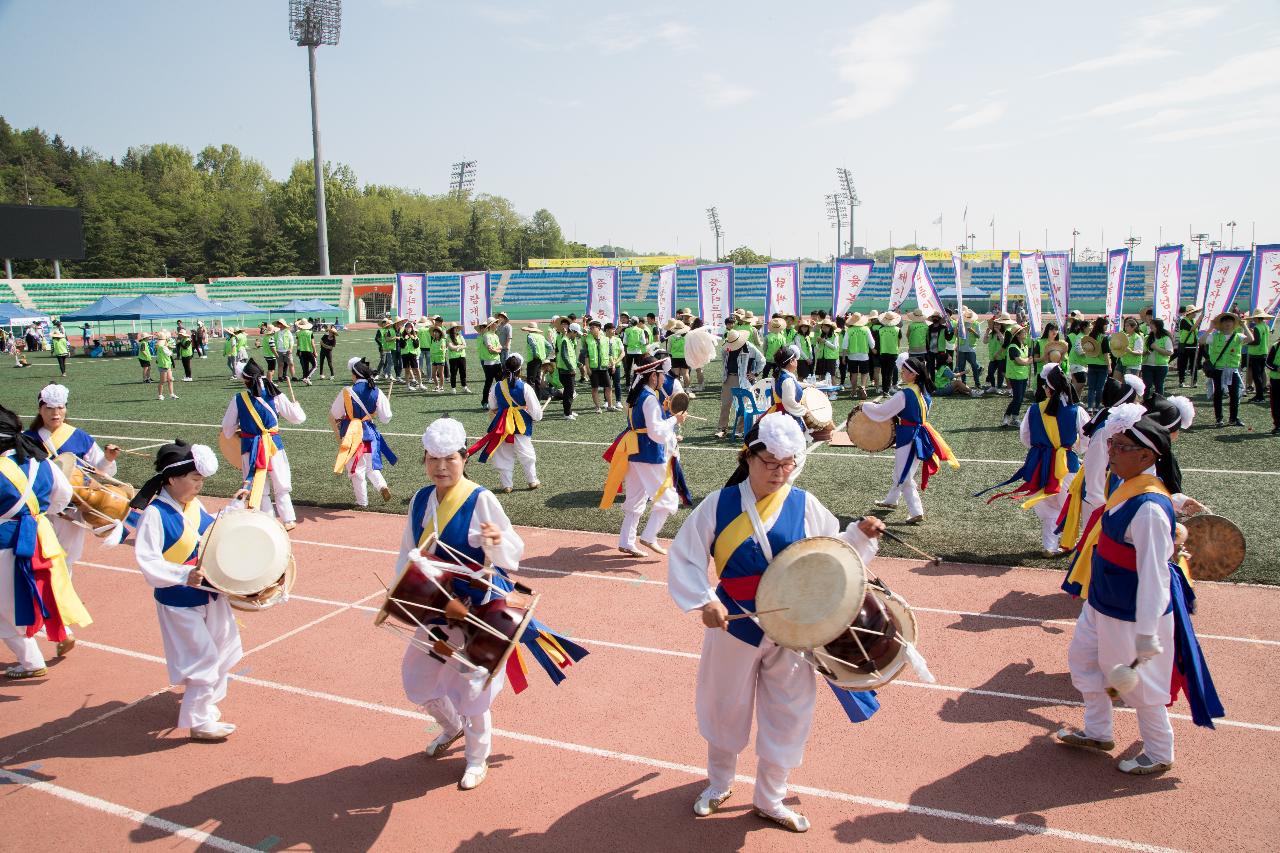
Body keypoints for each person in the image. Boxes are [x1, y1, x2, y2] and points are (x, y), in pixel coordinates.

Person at [667, 413, 899, 832]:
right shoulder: (718, 505)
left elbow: (832, 553)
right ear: (748, 456)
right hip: (734, 625)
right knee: (724, 706)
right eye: (768, 463)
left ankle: (770, 798)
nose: (777, 472)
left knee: (789, 713)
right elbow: (685, 556)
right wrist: (703, 601)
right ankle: (719, 784)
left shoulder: (804, 503)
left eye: (786, 464)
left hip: (794, 629)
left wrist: (862, 535)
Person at [397, 417, 588, 790]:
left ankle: (476, 757)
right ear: (423, 460)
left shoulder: (480, 498)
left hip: (481, 609)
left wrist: (495, 539)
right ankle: (452, 727)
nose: (440, 467)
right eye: (433, 459)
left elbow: (513, 553)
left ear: (464, 458)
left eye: (449, 458)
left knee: (474, 686)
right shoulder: (421, 500)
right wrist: (403, 596)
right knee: (417, 680)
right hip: (437, 607)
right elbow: (408, 551)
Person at [1056, 412, 1223, 774]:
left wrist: (1148, 632)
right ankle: (1099, 731)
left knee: (1143, 687)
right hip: (1103, 600)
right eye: (1111, 444)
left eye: (1121, 447)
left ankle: (1159, 752)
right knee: (1084, 662)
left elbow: (1153, 575)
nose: (1111, 452)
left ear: (1147, 457)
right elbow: (1148, 495)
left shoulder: (1148, 510)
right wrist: (1177, 501)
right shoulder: (1128, 483)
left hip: (1131, 612)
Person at [130, 440, 245, 740]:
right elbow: (147, 561)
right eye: (195, 479)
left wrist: (233, 508)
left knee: (223, 646)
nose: (199, 485)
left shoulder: (192, 506)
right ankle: (199, 721)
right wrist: (184, 574)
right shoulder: (155, 515)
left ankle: (207, 705)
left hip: (209, 591)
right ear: (171, 478)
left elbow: (209, 531)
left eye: (201, 480)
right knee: (203, 657)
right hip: (179, 600)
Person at [0, 405, 90, 679]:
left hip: (6, 541)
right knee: (43, 589)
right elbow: (62, 496)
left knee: (6, 607)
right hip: (41, 534)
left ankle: (31, 661)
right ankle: (58, 633)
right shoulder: (40, 461)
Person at [978, 365, 1087, 556]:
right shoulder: (1076, 411)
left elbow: (1025, 438)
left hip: (1040, 465)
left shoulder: (1034, 410)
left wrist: (1042, 448)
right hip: (1067, 465)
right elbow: (1086, 440)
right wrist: (1071, 447)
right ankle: (1069, 542)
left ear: (1047, 389)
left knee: (1048, 507)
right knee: (1068, 505)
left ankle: (1050, 546)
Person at [24, 383, 122, 572]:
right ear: (40, 409)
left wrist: (108, 459)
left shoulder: (78, 436)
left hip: (71, 508)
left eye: (60, 407)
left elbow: (101, 471)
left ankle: (61, 598)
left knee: (66, 559)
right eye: (49, 408)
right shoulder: (27, 439)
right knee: (38, 558)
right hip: (39, 509)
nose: (56, 413)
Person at [601, 355, 685, 557]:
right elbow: (655, 432)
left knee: (636, 498)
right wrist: (674, 419)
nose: (664, 378)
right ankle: (649, 536)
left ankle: (626, 541)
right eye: (661, 375)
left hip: (632, 450)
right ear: (652, 377)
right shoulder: (649, 399)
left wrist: (664, 411)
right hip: (648, 452)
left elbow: (645, 424)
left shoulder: (636, 396)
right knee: (668, 498)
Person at [862, 354, 959, 524]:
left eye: (905, 371)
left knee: (904, 474)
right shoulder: (924, 391)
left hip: (908, 435)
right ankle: (892, 499)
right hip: (921, 433)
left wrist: (866, 406)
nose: (902, 373)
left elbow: (883, 411)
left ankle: (916, 510)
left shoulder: (905, 394)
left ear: (914, 374)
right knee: (903, 470)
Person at [222, 359, 306, 531]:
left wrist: (241, 427)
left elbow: (227, 429)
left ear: (245, 380)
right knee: (281, 483)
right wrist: (296, 407)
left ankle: (268, 520)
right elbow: (298, 418)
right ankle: (288, 519)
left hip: (250, 446)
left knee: (259, 486)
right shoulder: (275, 393)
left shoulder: (239, 398)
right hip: (273, 446)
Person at [469, 354, 542, 493]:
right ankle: (532, 480)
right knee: (526, 452)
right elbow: (536, 412)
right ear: (520, 370)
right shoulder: (525, 387)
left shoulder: (497, 386)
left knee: (503, 453)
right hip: (520, 424)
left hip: (502, 424)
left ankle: (507, 485)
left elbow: (492, 405)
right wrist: (535, 417)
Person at [331, 357, 396, 507]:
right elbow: (386, 418)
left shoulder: (347, 391)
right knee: (370, 464)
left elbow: (335, 412)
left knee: (356, 468)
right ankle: (382, 486)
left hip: (351, 433)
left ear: (355, 375)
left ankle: (362, 501)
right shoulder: (376, 391)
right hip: (369, 432)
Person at [1199, 311, 1253, 427]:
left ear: (1234, 324)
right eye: (1225, 321)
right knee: (1218, 394)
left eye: (1230, 321)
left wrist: (1244, 325)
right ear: (1221, 324)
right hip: (1218, 370)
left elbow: (1251, 338)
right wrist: (1210, 328)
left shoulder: (1238, 336)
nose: (1227, 323)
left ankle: (1234, 418)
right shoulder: (1215, 336)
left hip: (1233, 370)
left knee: (1235, 394)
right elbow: (1201, 340)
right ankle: (1219, 419)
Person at [716, 329, 765, 439]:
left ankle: (739, 429)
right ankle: (722, 429)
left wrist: (755, 373)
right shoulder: (725, 347)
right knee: (725, 404)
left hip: (744, 380)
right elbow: (724, 360)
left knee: (743, 405)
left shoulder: (750, 347)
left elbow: (762, 360)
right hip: (728, 378)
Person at [1001, 324, 1032, 426]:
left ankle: (1014, 417)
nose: (1025, 333)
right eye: (1023, 332)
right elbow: (1020, 361)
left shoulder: (1024, 346)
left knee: (1020, 398)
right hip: (1015, 376)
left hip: (1023, 375)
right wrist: (1028, 361)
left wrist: (1027, 360)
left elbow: (1027, 359)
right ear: (1017, 335)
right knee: (1017, 398)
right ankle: (1008, 416)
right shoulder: (1012, 347)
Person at [1078, 316, 1111, 409]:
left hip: (1091, 365)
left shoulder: (1089, 337)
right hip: (1102, 365)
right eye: (1106, 325)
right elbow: (1105, 354)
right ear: (1102, 326)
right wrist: (1109, 366)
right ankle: (1096, 407)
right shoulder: (1103, 338)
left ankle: (1089, 407)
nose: (1106, 327)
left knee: (1091, 388)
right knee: (1100, 388)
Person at [584, 320, 617, 414]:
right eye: (590, 328)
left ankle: (610, 406)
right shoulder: (587, 340)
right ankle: (597, 407)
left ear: (598, 328)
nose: (591, 329)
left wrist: (613, 364)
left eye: (593, 328)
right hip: (593, 368)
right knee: (595, 388)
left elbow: (609, 353)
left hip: (604, 367)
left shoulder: (605, 339)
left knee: (609, 387)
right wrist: (587, 368)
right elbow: (586, 356)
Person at [843, 312, 874, 399]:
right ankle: (863, 386)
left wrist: (844, 357)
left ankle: (853, 391)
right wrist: (873, 348)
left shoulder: (849, 330)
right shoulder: (866, 329)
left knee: (854, 374)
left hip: (852, 355)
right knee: (864, 373)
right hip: (864, 355)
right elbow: (872, 343)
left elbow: (845, 344)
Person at [1141, 318, 1174, 398]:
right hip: (1147, 365)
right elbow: (1142, 351)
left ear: (1158, 326)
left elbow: (1170, 352)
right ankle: (1145, 403)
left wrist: (1157, 348)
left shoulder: (1165, 338)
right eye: (1150, 324)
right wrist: (1145, 352)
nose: (1150, 326)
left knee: (1159, 385)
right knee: (1146, 385)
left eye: (1152, 324)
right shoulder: (1147, 338)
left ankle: (1159, 403)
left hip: (1161, 366)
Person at [1245, 309, 1273, 402]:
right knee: (1260, 374)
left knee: (1257, 376)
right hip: (1263, 352)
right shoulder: (1266, 326)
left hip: (1256, 354)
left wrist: (1247, 342)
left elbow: (1257, 341)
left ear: (1256, 318)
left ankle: (1259, 396)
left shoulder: (1257, 327)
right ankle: (1260, 395)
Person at [556, 322, 582, 420]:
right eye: (576, 333)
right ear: (573, 331)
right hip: (566, 371)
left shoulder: (568, 341)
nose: (576, 335)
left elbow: (571, 356)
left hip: (568, 370)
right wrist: (571, 368)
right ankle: (567, 413)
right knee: (569, 392)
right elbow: (564, 356)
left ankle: (569, 411)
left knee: (570, 392)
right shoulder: (564, 341)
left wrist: (578, 363)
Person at [875, 311, 902, 393]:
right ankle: (887, 389)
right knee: (890, 372)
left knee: (883, 372)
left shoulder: (880, 330)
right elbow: (898, 342)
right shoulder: (898, 329)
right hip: (893, 352)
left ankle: (884, 389)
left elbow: (878, 342)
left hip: (883, 353)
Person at [523, 322, 550, 400]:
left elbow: (533, 345)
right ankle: (538, 397)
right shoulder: (541, 337)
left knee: (530, 381)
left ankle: (530, 399)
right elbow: (549, 347)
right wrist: (545, 355)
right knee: (537, 379)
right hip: (540, 360)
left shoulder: (530, 336)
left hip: (532, 360)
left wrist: (534, 355)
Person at [1175, 306, 1200, 387]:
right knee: (1183, 364)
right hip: (1184, 346)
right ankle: (1181, 381)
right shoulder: (1183, 320)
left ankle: (1194, 381)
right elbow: (1193, 328)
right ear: (1189, 313)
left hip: (1194, 345)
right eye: (1194, 312)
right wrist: (1201, 318)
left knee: (1194, 365)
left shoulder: (1194, 320)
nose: (1195, 314)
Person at [399, 319, 423, 391]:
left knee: (416, 369)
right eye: (406, 327)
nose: (408, 329)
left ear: (412, 328)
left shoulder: (415, 337)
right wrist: (405, 339)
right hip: (405, 355)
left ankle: (420, 384)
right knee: (407, 370)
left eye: (409, 327)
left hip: (413, 355)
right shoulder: (402, 337)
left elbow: (416, 346)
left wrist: (413, 339)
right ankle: (407, 386)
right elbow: (402, 346)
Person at [446, 324, 469, 393]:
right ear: (451, 330)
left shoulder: (460, 336)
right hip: (453, 358)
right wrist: (460, 346)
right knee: (453, 373)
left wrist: (457, 347)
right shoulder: (448, 337)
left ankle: (464, 387)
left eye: (457, 328)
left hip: (462, 357)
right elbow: (451, 347)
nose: (456, 329)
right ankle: (453, 388)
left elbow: (465, 345)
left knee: (463, 372)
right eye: (454, 328)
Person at [155, 330, 178, 400]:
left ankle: (171, 394)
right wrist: (169, 347)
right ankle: (160, 395)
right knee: (163, 381)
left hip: (167, 364)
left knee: (170, 379)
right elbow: (170, 353)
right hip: (163, 365)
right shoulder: (163, 347)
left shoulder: (159, 346)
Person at [295, 319, 317, 384]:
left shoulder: (298, 333)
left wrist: (298, 351)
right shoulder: (310, 333)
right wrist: (315, 351)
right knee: (315, 366)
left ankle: (307, 380)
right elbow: (312, 343)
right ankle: (307, 378)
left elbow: (298, 343)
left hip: (302, 351)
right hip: (309, 351)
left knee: (306, 367)